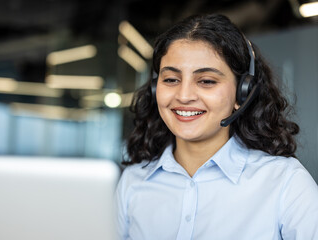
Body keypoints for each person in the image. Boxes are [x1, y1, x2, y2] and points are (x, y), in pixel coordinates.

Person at [115, 14, 318, 240]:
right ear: (155, 89)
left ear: (242, 93)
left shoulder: (285, 182)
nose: (184, 96)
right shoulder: (133, 182)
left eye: (207, 81)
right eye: (171, 79)